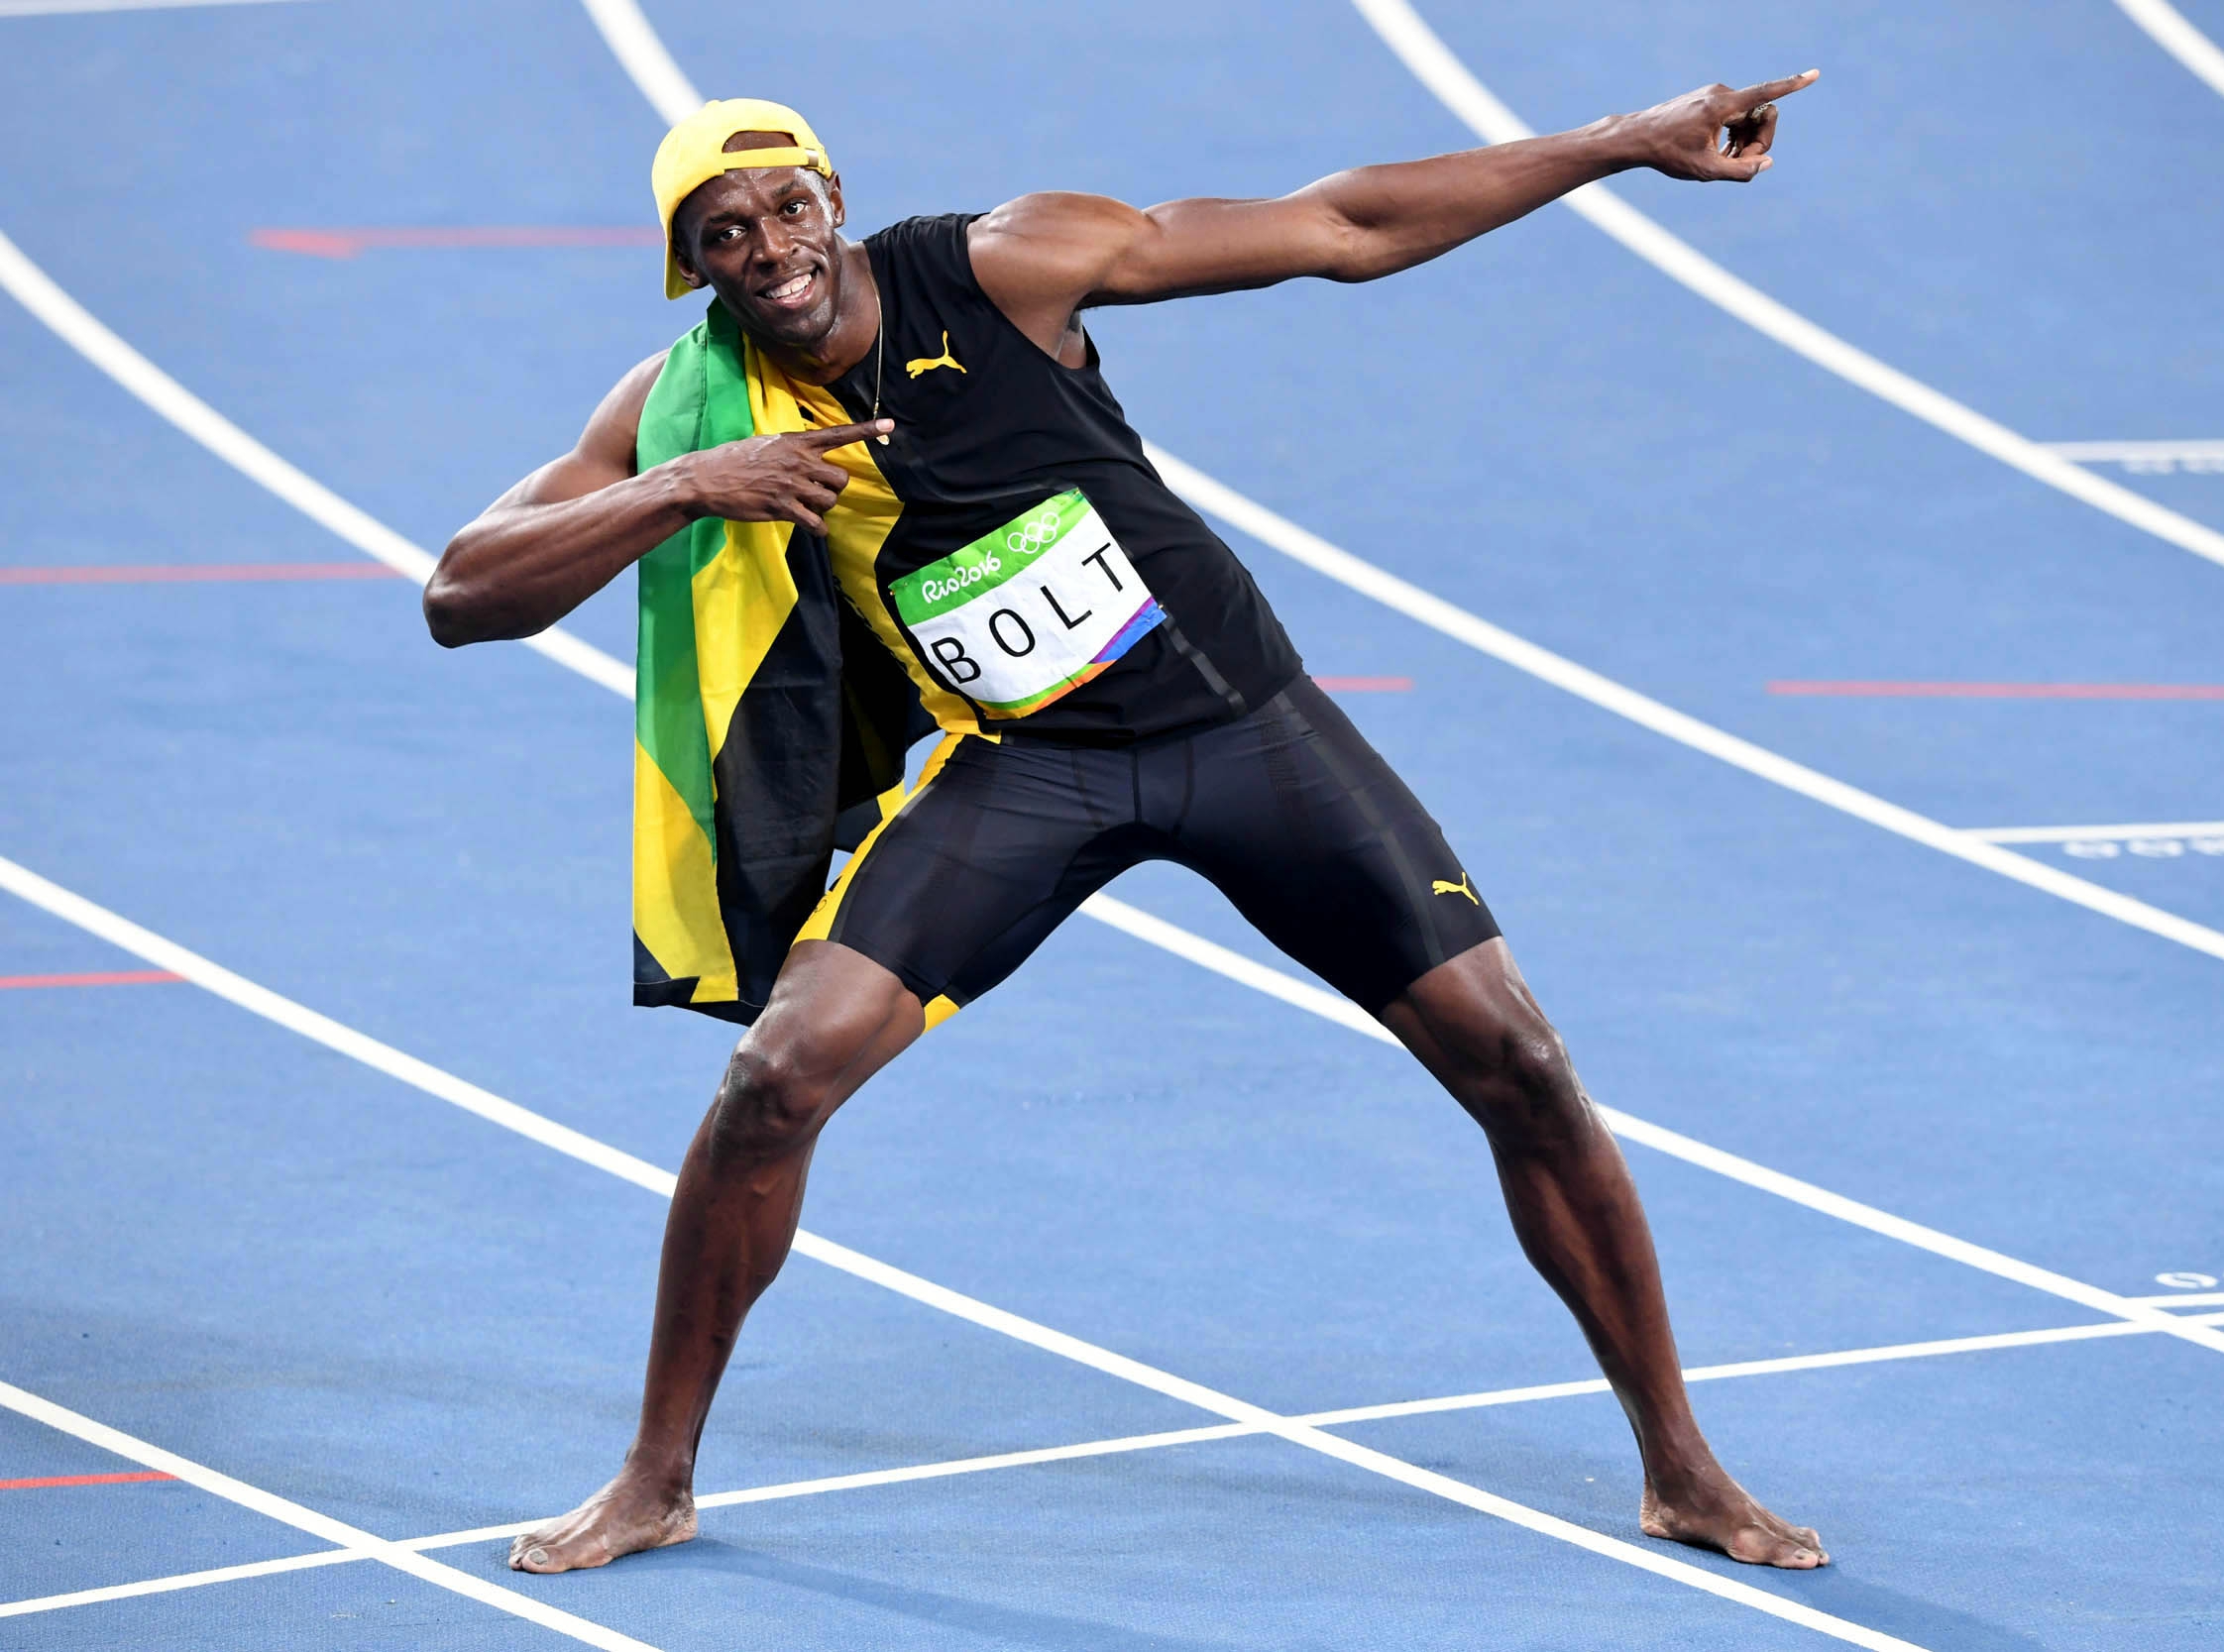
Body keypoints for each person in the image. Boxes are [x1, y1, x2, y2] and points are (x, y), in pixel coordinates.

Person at [426, 73, 1828, 1575]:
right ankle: (654, 1480)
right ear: (688, 264)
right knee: (773, 1080)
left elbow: (1342, 229)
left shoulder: (1004, 263)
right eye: (724, 233)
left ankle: (1682, 1469)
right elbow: (462, 591)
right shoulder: (685, 409)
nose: (770, 248)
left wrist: (1620, 142)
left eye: (789, 206)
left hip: (1240, 730)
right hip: (1027, 768)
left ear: (835, 199)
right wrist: (687, 488)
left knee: (1521, 1062)